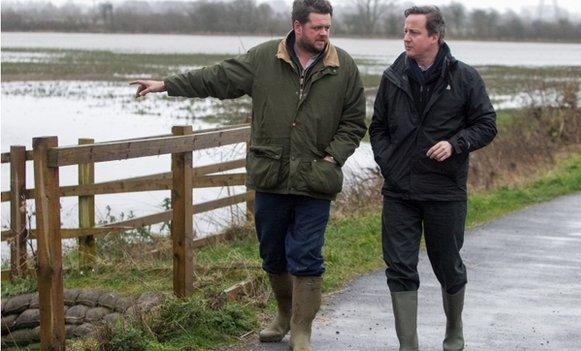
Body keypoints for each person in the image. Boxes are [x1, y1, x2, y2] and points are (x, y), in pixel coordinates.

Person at [130, 1, 366, 349]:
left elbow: (354, 122)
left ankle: (302, 329)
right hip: (270, 176)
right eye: (318, 27)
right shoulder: (264, 59)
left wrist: (334, 157)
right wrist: (166, 83)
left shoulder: (342, 66)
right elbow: (217, 77)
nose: (324, 34)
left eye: (328, 27)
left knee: (307, 254)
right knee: (272, 253)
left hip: (316, 180)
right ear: (297, 26)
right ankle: (284, 315)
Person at [369, 5, 497, 351]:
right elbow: (377, 128)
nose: (405, 37)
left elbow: (486, 125)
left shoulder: (465, 78)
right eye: (405, 31)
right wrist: (389, 163)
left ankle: (454, 331)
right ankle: (408, 345)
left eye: (413, 32)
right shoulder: (393, 76)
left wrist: (456, 144)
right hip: (399, 191)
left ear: (434, 37)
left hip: (445, 191)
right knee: (399, 266)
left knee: (447, 264)